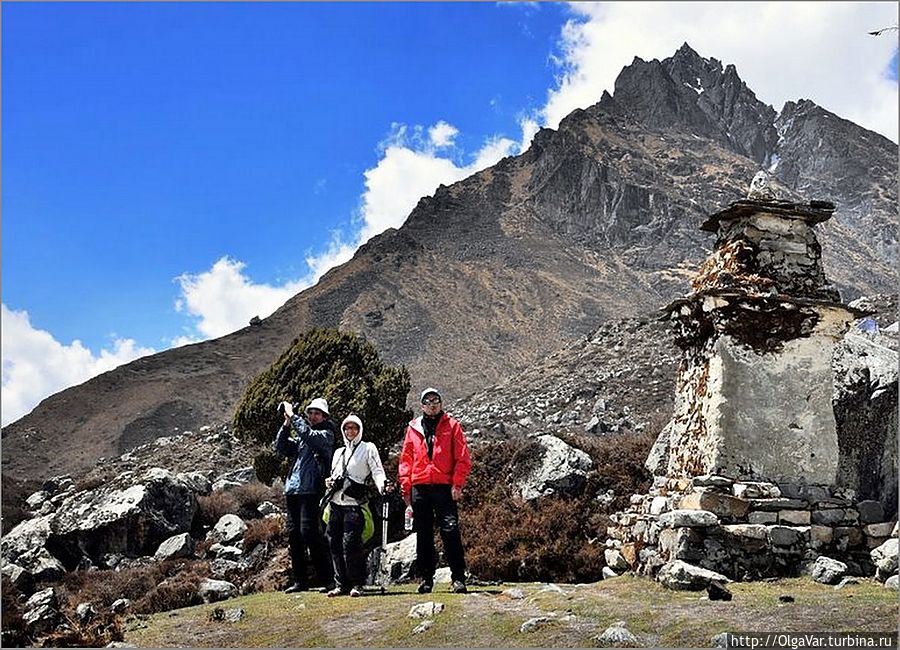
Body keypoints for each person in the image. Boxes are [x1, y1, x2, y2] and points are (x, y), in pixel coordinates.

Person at [398, 387, 472, 594]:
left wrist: (457, 484)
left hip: (444, 487)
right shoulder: (413, 428)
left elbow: (463, 458)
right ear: (422, 405)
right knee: (423, 535)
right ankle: (426, 579)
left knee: (450, 530)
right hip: (420, 487)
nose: (433, 404)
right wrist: (406, 489)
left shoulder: (452, 426)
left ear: (440, 403)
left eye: (436, 400)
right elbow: (406, 460)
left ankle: (458, 578)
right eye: (428, 401)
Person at [274, 397, 337, 593]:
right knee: (294, 536)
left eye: (317, 413)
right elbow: (281, 447)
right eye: (310, 412)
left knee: (310, 533)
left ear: (324, 416)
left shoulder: (326, 434)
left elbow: (309, 435)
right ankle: (300, 581)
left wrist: (294, 415)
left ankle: (328, 578)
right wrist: (286, 423)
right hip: (293, 490)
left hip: (311, 490)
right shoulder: (303, 437)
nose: (312, 416)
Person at [324, 414, 388, 597]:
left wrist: (383, 486)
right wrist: (328, 482)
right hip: (335, 504)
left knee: (351, 543)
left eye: (354, 428)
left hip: (354, 505)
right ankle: (340, 584)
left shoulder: (368, 448)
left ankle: (357, 583)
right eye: (347, 428)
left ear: (360, 430)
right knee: (334, 543)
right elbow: (333, 475)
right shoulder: (338, 452)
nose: (350, 431)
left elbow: (377, 471)